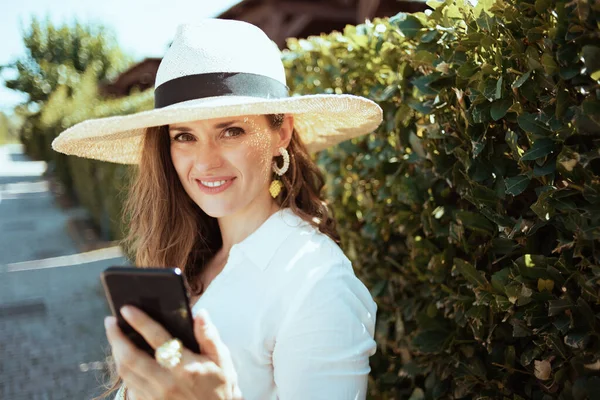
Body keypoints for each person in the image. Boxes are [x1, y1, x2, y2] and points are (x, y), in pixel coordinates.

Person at [52, 18, 383, 400]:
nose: (205, 163)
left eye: (231, 131)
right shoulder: (188, 253)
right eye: (184, 136)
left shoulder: (318, 284)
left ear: (282, 132)